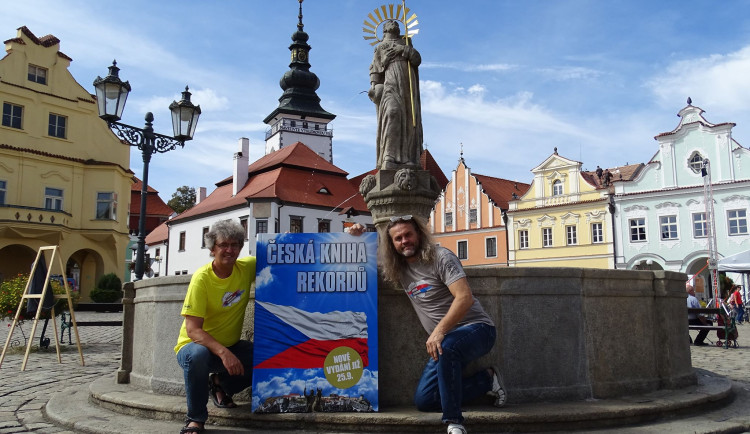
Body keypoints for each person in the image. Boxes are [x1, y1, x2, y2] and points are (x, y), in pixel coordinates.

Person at [372, 215, 505, 434]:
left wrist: (439, 331)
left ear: (419, 235)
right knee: (426, 400)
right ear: (392, 244)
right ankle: (487, 380)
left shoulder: (441, 257)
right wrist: (355, 235)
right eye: (398, 238)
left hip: (478, 329)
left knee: (447, 345)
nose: (404, 241)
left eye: (408, 235)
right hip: (445, 343)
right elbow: (364, 259)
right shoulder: (397, 266)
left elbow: (464, 298)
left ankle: (454, 423)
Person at [174, 220, 256, 434]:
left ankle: (220, 384)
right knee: (198, 355)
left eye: (236, 244)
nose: (230, 250)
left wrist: (352, 232)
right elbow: (193, 330)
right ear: (212, 249)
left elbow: (282, 256)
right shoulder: (202, 278)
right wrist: (224, 353)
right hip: (193, 347)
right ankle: (195, 419)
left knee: (267, 356)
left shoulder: (246, 268)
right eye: (223, 245)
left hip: (230, 346)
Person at [368, 19, 423, 170]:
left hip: (407, 88)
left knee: (410, 121)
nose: (393, 23)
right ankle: (389, 156)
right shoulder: (380, 47)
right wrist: (373, 87)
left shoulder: (406, 42)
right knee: (392, 113)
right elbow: (375, 69)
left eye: (395, 23)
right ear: (384, 29)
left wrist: (402, 50)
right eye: (389, 23)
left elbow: (417, 60)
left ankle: (409, 159)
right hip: (390, 85)